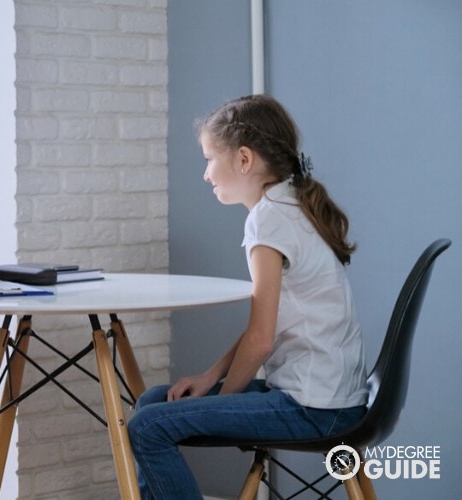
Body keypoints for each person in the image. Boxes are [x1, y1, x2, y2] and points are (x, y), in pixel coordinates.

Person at [128, 94, 368, 499]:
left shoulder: (267, 220)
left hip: (315, 409)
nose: (206, 175)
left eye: (209, 159)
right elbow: (266, 324)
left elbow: (260, 341)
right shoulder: (289, 202)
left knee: (148, 426)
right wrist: (210, 378)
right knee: (153, 402)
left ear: (243, 160)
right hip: (329, 398)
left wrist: (219, 401)